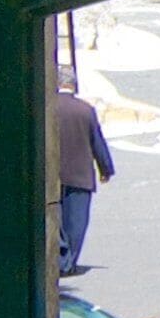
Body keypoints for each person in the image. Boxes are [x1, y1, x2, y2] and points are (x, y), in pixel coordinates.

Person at [53, 83, 117, 277]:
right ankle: (67, 263)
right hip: (80, 174)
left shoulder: (47, 107)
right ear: (72, 86)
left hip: (52, 175)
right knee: (76, 222)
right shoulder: (85, 110)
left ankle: (57, 258)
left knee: (55, 218)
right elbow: (97, 142)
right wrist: (106, 169)